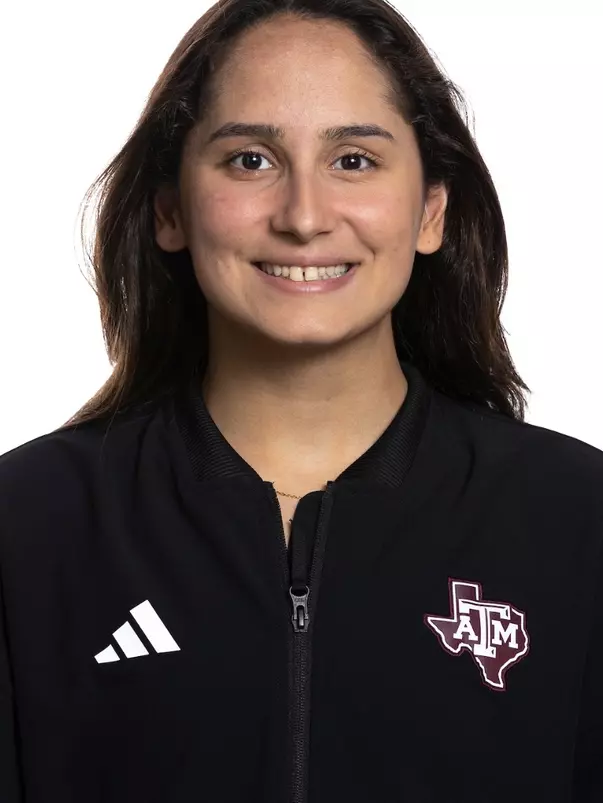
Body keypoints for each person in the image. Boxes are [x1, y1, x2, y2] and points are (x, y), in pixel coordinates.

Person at [1, 0, 602, 801]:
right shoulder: (27, 525)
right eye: (250, 159)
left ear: (430, 209)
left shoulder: (578, 520)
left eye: (353, 159)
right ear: (170, 209)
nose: (304, 217)